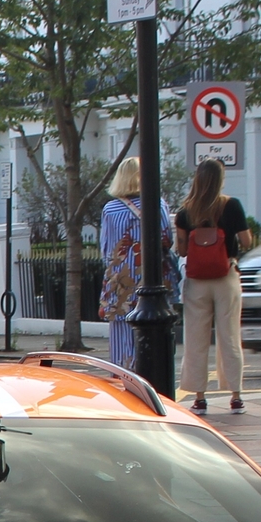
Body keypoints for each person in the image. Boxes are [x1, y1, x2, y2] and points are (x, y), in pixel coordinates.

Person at [175, 159, 253, 414]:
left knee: (195, 338)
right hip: (225, 277)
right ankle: (235, 395)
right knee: (229, 335)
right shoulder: (231, 206)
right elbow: (247, 241)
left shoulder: (186, 211)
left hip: (197, 281)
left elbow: (182, 248)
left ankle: (199, 397)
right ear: (220, 180)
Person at [99, 156, 173, 372]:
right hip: (153, 281)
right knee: (156, 336)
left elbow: (106, 250)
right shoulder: (158, 205)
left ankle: (123, 381)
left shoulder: (110, 210)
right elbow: (167, 239)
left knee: (121, 341)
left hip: (120, 282)